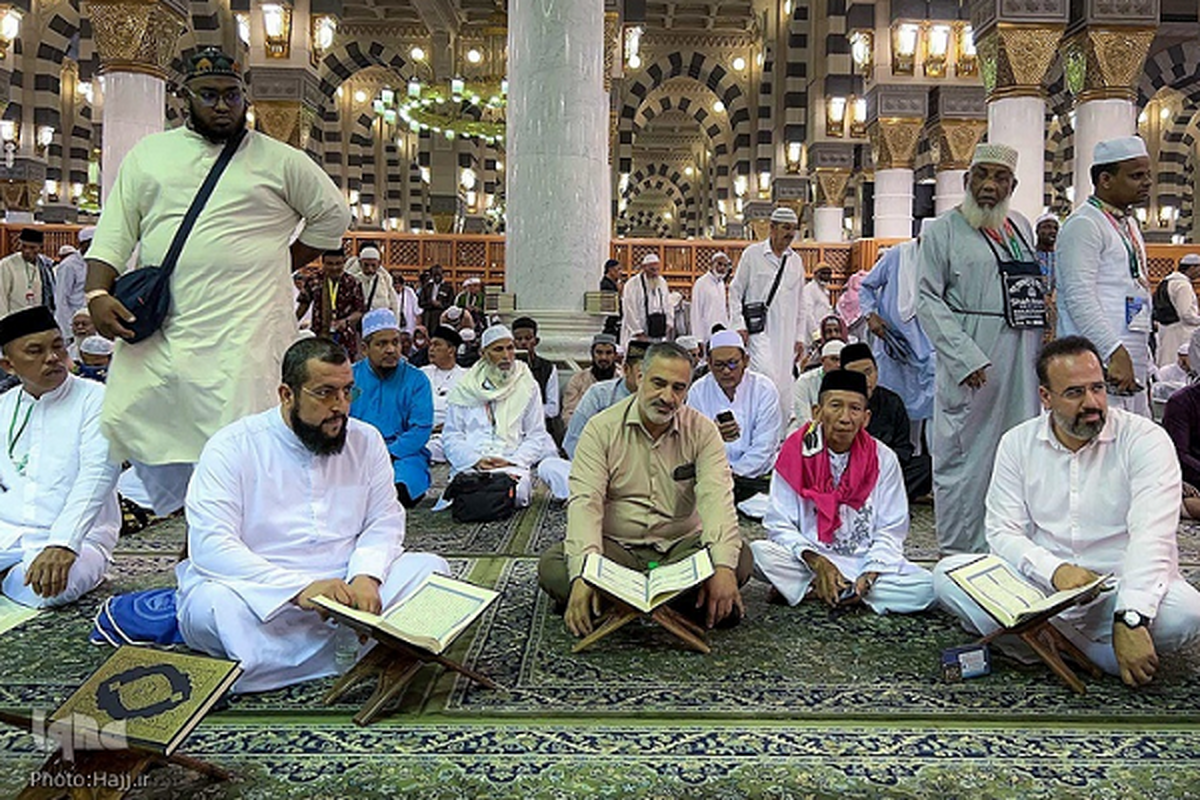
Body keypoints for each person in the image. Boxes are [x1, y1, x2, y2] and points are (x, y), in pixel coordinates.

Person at [84, 47, 350, 516]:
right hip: (166, 327)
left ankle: (223, 529)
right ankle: (189, 517)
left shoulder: (279, 160)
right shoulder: (150, 155)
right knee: (130, 415)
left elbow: (333, 215)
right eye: (209, 95)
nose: (223, 105)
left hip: (247, 330)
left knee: (240, 439)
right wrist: (97, 293)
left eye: (232, 95)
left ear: (245, 97)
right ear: (185, 98)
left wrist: (279, 261)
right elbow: (115, 232)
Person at [176, 337, 449, 693]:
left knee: (432, 572)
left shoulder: (366, 441)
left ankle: (279, 663)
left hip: (347, 587)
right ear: (286, 394)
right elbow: (211, 546)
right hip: (263, 593)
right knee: (216, 608)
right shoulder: (232, 446)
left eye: (348, 392)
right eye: (325, 393)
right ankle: (372, 645)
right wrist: (299, 589)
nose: (340, 406)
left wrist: (367, 576)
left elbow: (383, 519)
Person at [934, 336, 1200, 687]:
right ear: (1045, 397)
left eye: (1097, 388)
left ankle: (1040, 643)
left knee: (1188, 613)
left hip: (1117, 588)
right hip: (1041, 592)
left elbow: (1152, 537)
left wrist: (1131, 615)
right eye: (1075, 393)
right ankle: (1094, 652)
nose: (1092, 403)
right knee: (948, 574)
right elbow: (1002, 531)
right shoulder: (1017, 443)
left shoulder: (1144, 440)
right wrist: (1055, 571)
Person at [538, 342, 753, 634]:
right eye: (658, 383)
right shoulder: (601, 429)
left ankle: (614, 602)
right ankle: (679, 602)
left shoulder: (702, 431)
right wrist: (583, 573)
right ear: (639, 377)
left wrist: (724, 569)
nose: (667, 397)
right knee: (555, 566)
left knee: (738, 559)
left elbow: (717, 499)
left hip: (680, 550)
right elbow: (585, 503)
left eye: (678, 388)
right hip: (617, 551)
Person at [917, 143, 1044, 555]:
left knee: (1017, 448)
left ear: (1013, 185)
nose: (990, 185)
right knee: (965, 455)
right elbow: (927, 299)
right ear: (965, 180)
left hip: (1021, 354)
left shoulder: (1020, 227)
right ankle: (960, 552)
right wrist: (963, 357)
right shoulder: (941, 230)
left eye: (1000, 178)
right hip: (973, 356)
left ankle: (1007, 545)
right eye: (982, 176)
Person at [751, 369, 934, 613]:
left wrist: (869, 575)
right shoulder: (795, 452)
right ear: (817, 412)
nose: (845, 418)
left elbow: (891, 529)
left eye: (855, 409)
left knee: (928, 588)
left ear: (866, 418)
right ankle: (832, 586)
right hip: (810, 559)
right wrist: (817, 562)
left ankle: (820, 590)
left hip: (865, 562)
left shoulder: (883, 458)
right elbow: (779, 524)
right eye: (836, 406)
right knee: (759, 553)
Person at [0, 307, 120, 608]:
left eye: (57, 346)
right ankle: (9, 578)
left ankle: (10, 579)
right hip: (7, 535)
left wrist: (64, 542)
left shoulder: (96, 399)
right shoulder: (3, 406)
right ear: (9, 366)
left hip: (80, 540)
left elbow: (98, 474)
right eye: (35, 351)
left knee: (49, 590)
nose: (52, 357)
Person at [1056, 136, 1154, 416]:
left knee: (1131, 433)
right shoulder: (1084, 224)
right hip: (1099, 356)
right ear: (1105, 180)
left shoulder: (1128, 223)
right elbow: (1079, 297)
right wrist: (1113, 350)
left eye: (1147, 175)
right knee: (1097, 431)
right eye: (1136, 176)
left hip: (1130, 351)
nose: (1147, 182)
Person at [442, 324, 556, 508]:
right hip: (473, 463)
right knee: (466, 491)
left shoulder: (527, 384)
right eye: (498, 349)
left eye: (510, 348)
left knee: (517, 493)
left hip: (511, 460)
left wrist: (512, 460)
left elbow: (536, 434)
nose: (506, 356)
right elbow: (451, 435)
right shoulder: (464, 386)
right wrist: (475, 460)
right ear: (483, 353)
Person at [686, 329, 782, 503]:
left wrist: (735, 473)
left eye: (732, 364)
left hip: (756, 480)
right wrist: (713, 434)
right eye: (719, 365)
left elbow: (765, 445)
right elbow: (691, 441)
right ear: (709, 363)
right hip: (711, 478)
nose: (726, 371)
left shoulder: (764, 389)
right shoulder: (698, 391)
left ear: (745, 361)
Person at [350, 309, 433, 508]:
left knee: (400, 490)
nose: (391, 350)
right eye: (382, 344)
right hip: (357, 454)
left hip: (402, 454)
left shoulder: (417, 380)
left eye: (395, 342)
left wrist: (387, 453)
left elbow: (421, 428)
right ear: (365, 349)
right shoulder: (349, 378)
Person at [858, 235, 936, 443]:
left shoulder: (942, 260)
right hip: (892, 347)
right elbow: (866, 286)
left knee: (930, 416)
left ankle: (920, 460)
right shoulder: (897, 255)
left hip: (928, 350)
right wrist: (871, 315)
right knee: (890, 412)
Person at [729, 206, 807, 405]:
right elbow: (735, 291)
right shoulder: (752, 254)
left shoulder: (795, 261)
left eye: (793, 229)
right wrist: (739, 325)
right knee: (764, 380)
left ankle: (780, 426)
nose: (790, 234)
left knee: (784, 387)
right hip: (759, 333)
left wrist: (800, 336)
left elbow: (801, 302)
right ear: (772, 228)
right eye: (786, 228)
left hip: (787, 336)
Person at [839, 342, 932, 500]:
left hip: (885, 469)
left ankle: (879, 495)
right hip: (848, 471)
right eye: (856, 374)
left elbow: (903, 447)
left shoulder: (892, 401)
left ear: (877, 370)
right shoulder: (838, 403)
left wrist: (883, 464)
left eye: (868, 372)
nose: (865, 380)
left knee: (926, 466)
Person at [562, 339, 648, 459]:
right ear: (626, 369)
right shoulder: (598, 393)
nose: (604, 357)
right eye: (641, 374)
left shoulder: (658, 400)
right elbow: (574, 439)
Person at [296, 248, 367, 362]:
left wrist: (345, 322)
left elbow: (359, 311)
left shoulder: (353, 282)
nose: (334, 268)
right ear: (322, 262)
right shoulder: (313, 280)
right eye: (329, 264)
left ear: (344, 262)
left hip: (345, 339)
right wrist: (292, 324)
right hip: (320, 336)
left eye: (338, 264)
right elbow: (303, 305)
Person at [419, 325, 466, 463]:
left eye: (437, 345)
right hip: (420, 429)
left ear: (451, 350)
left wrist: (447, 426)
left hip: (449, 433)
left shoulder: (466, 377)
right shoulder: (421, 374)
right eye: (430, 345)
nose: (431, 349)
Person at [512, 316, 562, 440]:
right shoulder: (504, 367)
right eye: (519, 339)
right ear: (513, 342)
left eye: (528, 338)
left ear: (536, 341)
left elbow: (553, 408)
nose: (523, 343)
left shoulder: (548, 368)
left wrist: (527, 412)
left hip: (539, 428)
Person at [562, 333, 620, 424]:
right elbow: (569, 414)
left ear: (615, 355)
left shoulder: (623, 380)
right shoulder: (578, 380)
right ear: (592, 354)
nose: (603, 357)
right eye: (599, 352)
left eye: (608, 353)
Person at [1155, 253, 1200, 368]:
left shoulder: (1166, 281)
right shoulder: (1182, 285)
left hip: (1166, 330)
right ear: (1192, 267)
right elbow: (1186, 314)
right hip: (1180, 333)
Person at [621, 253, 673, 347]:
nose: (655, 273)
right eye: (652, 269)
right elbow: (628, 309)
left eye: (657, 269)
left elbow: (668, 304)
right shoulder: (632, 284)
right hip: (637, 335)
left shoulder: (662, 282)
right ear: (644, 268)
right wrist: (638, 332)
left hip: (658, 334)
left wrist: (668, 323)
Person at [0, 228, 54, 318]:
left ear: (41, 248)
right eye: (24, 246)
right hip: (14, 319)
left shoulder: (46, 266)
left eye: (32, 248)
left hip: (38, 319)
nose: (27, 251)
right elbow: (1, 296)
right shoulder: (7, 265)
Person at [792, 340, 845, 427]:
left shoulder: (850, 381)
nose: (839, 364)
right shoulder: (805, 380)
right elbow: (802, 416)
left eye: (842, 360)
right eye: (834, 359)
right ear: (822, 360)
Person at [53, 227, 94, 337]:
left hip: (92, 322)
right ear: (82, 244)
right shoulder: (69, 265)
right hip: (74, 322)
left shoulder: (95, 262)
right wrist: (68, 331)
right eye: (91, 243)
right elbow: (61, 299)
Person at [690, 252, 731, 343]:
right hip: (706, 335)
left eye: (725, 265)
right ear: (711, 264)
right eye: (719, 264)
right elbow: (696, 312)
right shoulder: (701, 283)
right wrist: (698, 339)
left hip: (721, 334)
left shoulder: (721, 284)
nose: (722, 268)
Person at [355, 246, 400, 318]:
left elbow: (394, 304)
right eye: (366, 265)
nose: (370, 269)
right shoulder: (354, 280)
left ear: (379, 264)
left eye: (373, 265)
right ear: (360, 263)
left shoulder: (385, 280)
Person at [801, 263, 835, 346]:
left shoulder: (825, 291)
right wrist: (816, 335)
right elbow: (808, 314)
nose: (826, 276)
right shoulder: (809, 289)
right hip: (812, 334)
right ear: (816, 274)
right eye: (823, 273)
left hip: (823, 332)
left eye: (828, 274)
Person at [419, 264, 454, 332]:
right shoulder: (426, 287)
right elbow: (421, 302)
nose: (437, 277)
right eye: (435, 275)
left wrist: (441, 304)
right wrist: (431, 303)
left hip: (441, 314)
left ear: (442, 275)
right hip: (428, 315)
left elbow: (451, 303)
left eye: (439, 275)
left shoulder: (448, 288)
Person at [394, 271, 423, 337]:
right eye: (395, 286)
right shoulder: (390, 292)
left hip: (409, 322)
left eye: (399, 286)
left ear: (402, 285)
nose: (397, 288)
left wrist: (418, 324)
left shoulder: (409, 292)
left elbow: (417, 310)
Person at [601, 258, 623, 336]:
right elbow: (611, 304)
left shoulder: (613, 283)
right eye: (618, 269)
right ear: (610, 270)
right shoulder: (606, 284)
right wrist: (619, 292)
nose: (621, 272)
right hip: (610, 322)